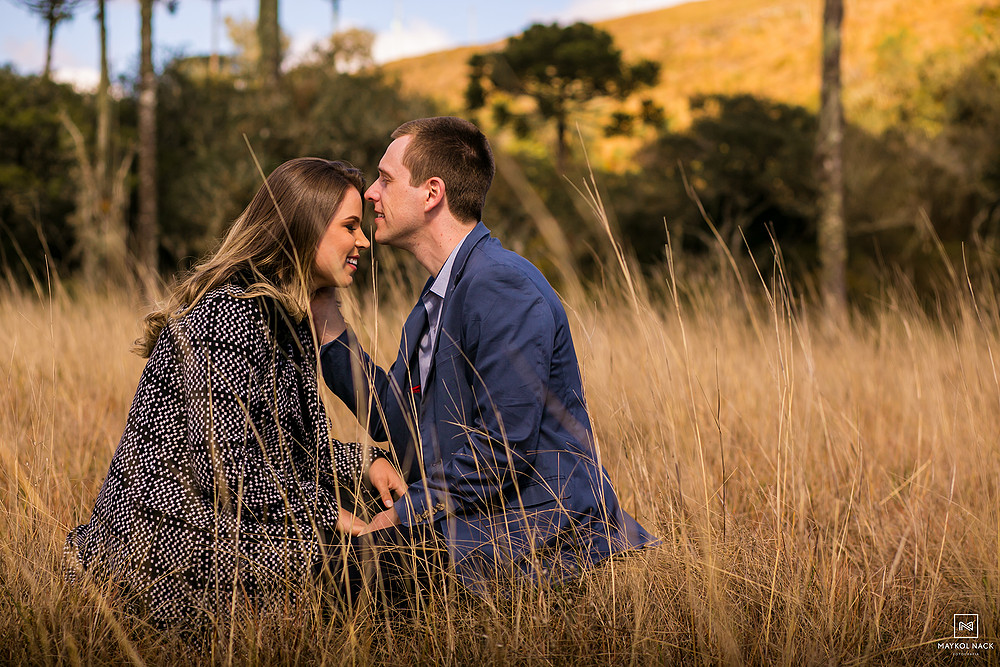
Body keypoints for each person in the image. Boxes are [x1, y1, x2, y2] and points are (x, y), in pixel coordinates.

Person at [311, 117, 656, 589]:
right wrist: (327, 320)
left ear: (432, 193)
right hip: (472, 511)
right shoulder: (441, 292)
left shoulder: (500, 284)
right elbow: (393, 419)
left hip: (537, 528)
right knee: (310, 514)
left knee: (339, 571)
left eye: (386, 179)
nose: (371, 192)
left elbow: (500, 451)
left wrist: (400, 518)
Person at [64, 158, 408, 628]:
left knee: (396, 519)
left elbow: (286, 450)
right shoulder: (229, 314)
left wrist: (363, 462)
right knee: (384, 567)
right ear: (305, 227)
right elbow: (226, 467)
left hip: (223, 515)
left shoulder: (282, 315)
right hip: (167, 538)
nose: (363, 241)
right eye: (350, 226)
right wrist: (331, 517)